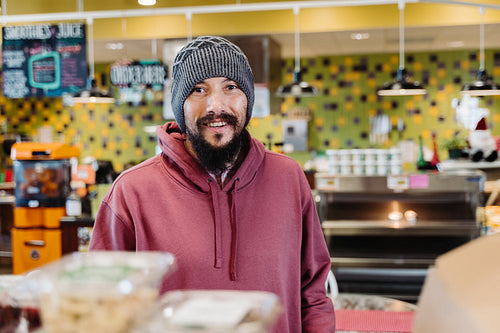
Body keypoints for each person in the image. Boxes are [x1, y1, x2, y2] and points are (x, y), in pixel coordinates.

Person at [88, 35, 335, 332]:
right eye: (198, 90)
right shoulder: (131, 191)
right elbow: (100, 305)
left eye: (230, 87)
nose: (215, 106)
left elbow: (313, 295)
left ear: (247, 98)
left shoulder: (289, 178)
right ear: (179, 105)